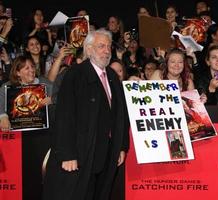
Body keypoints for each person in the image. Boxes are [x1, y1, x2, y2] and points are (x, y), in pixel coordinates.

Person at [43, 28, 129, 200]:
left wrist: (121, 146)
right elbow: (64, 116)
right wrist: (68, 154)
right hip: (81, 153)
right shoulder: (75, 74)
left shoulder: (112, 75)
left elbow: (121, 114)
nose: (106, 51)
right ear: (89, 49)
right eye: (101, 46)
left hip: (106, 152)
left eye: (109, 47)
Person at [0, 55, 52, 200]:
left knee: (41, 175)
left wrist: (52, 99)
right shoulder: (7, 86)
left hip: (43, 137)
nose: (31, 70)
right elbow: (0, 103)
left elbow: (62, 96)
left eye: (32, 67)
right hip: (20, 140)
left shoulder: (44, 83)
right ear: (17, 72)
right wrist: (2, 116)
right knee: (24, 175)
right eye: (26, 68)